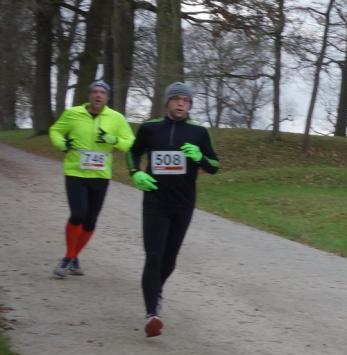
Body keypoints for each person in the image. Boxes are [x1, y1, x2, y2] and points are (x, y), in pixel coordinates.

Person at [128, 82, 220, 337]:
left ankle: (155, 291)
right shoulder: (149, 128)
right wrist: (135, 173)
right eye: (176, 98)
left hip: (183, 204)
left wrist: (199, 157)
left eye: (186, 100)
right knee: (154, 256)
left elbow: (214, 165)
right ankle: (152, 314)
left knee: (169, 260)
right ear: (167, 102)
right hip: (155, 202)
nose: (181, 103)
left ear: (189, 105)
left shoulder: (198, 132)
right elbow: (133, 152)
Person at [46, 79, 136, 277]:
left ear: (107, 98)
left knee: (90, 220)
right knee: (78, 214)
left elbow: (130, 143)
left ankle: (74, 258)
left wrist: (114, 140)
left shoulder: (116, 118)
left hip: (100, 175)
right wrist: (61, 144)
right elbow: (55, 130)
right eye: (95, 91)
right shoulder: (73, 113)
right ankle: (68, 258)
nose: (98, 95)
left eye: (102, 93)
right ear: (89, 95)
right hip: (75, 172)